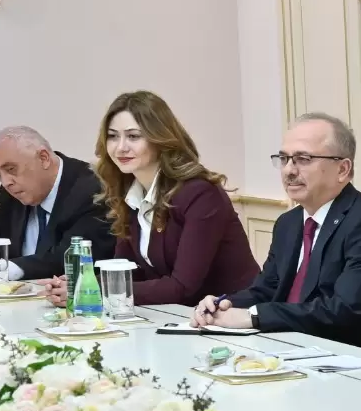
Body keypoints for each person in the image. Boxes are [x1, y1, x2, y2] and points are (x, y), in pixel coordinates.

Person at [194, 113, 361, 345]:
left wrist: (253, 317)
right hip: (293, 346)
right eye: (284, 159)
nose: (289, 171)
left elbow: (342, 310)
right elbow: (266, 290)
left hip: (357, 353)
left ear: (342, 169)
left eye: (303, 159)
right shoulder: (288, 223)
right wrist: (224, 305)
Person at [47, 92, 260, 308]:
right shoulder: (130, 193)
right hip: (175, 316)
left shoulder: (200, 193)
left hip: (231, 315)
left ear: (160, 139)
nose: (121, 147)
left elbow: (182, 287)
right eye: (113, 136)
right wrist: (81, 283)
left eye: (133, 136)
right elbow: (128, 271)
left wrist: (95, 290)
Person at [0, 125, 111, 278]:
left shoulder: (92, 190)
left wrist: (7, 269)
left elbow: (70, 258)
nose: (6, 182)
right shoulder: (9, 194)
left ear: (43, 158)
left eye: (11, 169)